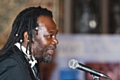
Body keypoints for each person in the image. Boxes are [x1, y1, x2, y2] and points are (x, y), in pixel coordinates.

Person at [0, 6, 59, 80]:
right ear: (28, 37)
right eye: (49, 35)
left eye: (55, 35)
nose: (56, 41)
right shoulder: (12, 65)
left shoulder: (26, 62)